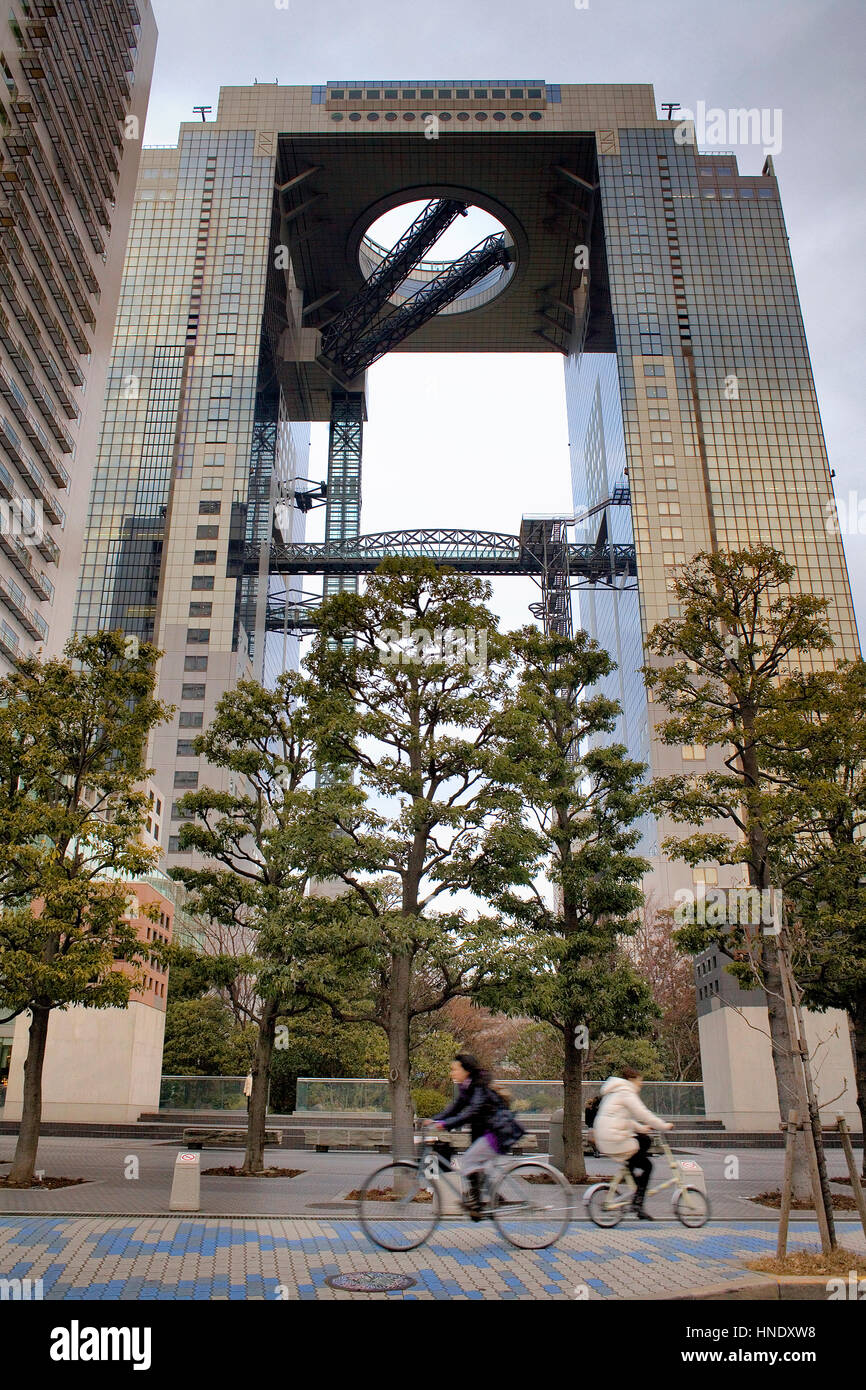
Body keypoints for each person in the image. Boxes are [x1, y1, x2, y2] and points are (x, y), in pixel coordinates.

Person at [424, 1053, 522, 1220]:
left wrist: (445, 1124)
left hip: (496, 1132)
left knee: (469, 1160)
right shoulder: (467, 1086)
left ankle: (477, 1206)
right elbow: (455, 1108)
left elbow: (471, 1112)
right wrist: (435, 1119)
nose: (452, 1073)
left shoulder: (478, 1086)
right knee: (478, 1168)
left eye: (455, 1069)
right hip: (486, 1132)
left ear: (466, 1070)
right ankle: (491, 1201)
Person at [592, 1067, 674, 1220]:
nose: (640, 1085)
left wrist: (642, 1128)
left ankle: (635, 1187)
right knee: (648, 1164)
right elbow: (643, 1113)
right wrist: (663, 1125)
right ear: (632, 1080)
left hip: (607, 1138)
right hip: (614, 1140)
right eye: (639, 1081)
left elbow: (622, 1119)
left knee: (643, 1140)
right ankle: (638, 1200)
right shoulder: (626, 1092)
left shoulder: (615, 1092)